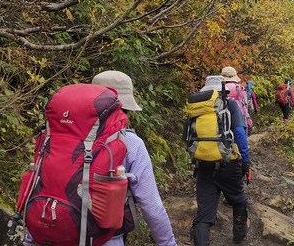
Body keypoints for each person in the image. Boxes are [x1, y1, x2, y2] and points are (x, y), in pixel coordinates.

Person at [23, 71, 177, 246]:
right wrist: (168, 243)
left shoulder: (53, 137)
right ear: (124, 107)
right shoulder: (130, 143)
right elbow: (152, 206)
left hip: (45, 234)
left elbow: (40, 184)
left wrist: (31, 238)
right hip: (103, 240)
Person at [92, 71, 177, 246]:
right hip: (107, 238)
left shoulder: (60, 135)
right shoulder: (130, 142)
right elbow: (152, 207)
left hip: (58, 232)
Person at [190, 75, 251, 245]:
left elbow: (188, 137)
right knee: (239, 199)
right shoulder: (230, 103)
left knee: (204, 214)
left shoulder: (197, 107)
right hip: (228, 163)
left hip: (202, 164)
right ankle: (238, 236)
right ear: (222, 89)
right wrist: (245, 161)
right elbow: (239, 133)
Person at [221, 66, 252, 136]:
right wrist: (248, 118)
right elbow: (244, 105)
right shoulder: (239, 88)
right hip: (239, 117)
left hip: (222, 116)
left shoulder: (219, 88)